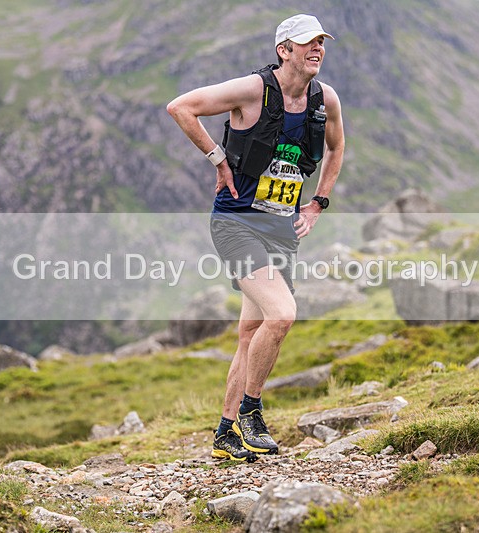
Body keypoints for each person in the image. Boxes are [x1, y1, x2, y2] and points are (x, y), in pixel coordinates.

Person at [167, 13, 345, 462]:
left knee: (251, 333)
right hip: (237, 224)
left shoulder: (326, 99)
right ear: (283, 50)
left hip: (282, 229)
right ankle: (251, 410)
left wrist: (318, 201)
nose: (317, 49)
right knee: (282, 315)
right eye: (307, 43)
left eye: (321, 42)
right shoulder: (253, 90)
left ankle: (226, 434)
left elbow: (336, 147)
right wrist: (217, 159)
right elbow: (180, 107)